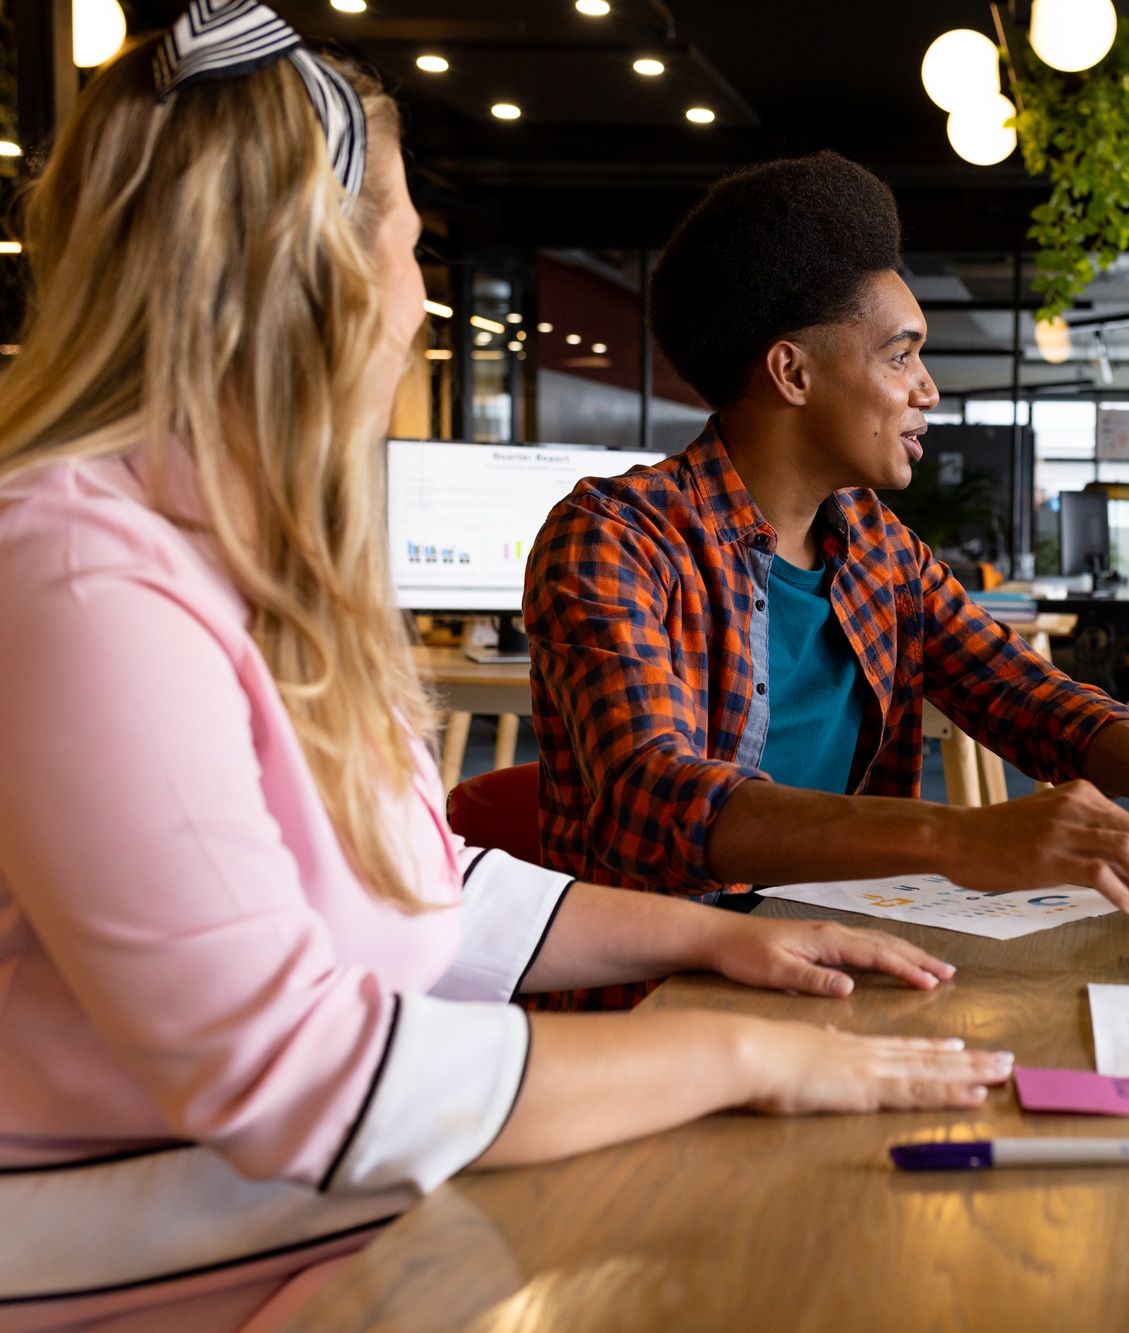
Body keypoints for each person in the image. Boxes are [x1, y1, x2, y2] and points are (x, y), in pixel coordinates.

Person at [0, 13, 1008, 1328]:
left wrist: (728, 937)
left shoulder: (238, 557)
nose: (421, 298)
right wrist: (723, 1049)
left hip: (342, 1245)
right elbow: (298, 1074)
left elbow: (420, 888)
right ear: (320, 275)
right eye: (412, 249)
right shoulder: (81, 574)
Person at [524, 149, 1129, 1003]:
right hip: (653, 1001)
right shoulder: (616, 537)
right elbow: (657, 801)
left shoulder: (881, 553)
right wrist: (962, 836)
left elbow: (1030, 699)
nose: (929, 390)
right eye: (900, 356)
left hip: (831, 981)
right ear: (792, 372)